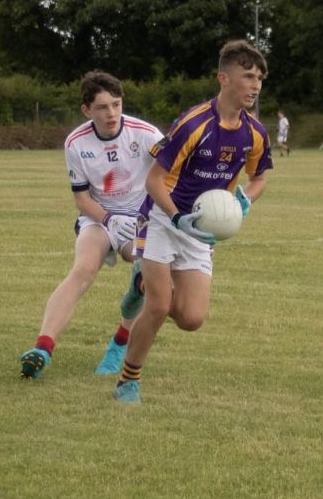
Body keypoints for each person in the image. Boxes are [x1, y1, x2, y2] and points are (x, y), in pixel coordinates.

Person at [112, 40, 273, 404]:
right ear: (224, 78)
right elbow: (153, 180)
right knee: (158, 305)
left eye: (260, 78)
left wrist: (245, 198)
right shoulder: (193, 123)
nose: (256, 85)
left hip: (201, 233)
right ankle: (128, 380)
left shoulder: (255, 133)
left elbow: (260, 177)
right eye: (248, 76)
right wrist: (177, 217)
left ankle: (139, 284)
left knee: (190, 318)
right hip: (163, 219)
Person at [19, 71, 163, 380]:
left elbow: (170, 177)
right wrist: (111, 219)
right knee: (82, 270)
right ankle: (42, 349)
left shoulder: (147, 134)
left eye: (116, 104)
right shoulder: (75, 142)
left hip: (141, 216)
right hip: (99, 217)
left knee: (146, 276)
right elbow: (82, 200)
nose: (111, 114)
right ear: (86, 110)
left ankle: (119, 344)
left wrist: (146, 217)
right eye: (102, 107)